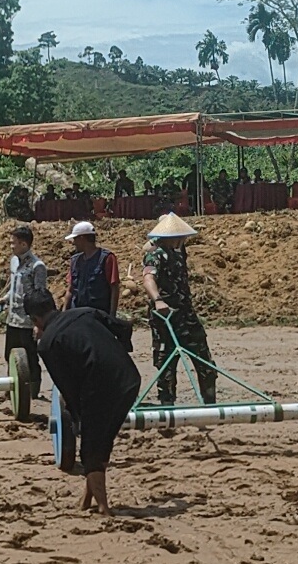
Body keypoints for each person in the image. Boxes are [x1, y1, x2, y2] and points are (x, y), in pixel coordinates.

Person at [28, 296, 141, 515]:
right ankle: (87, 500)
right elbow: (124, 326)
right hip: (129, 378)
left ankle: (104, 509)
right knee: (102, 440)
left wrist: (77, 416)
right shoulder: (85, 311)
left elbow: (67, 385)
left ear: (35, 320)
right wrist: (119, 350)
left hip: (101, 387)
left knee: (90, 448)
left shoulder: (48, 343)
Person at [142, 213, 217, 405]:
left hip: (186, 316)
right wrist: (158, 300)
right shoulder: (155, 254)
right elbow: (148, 279)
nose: (183, 239)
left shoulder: (178, 251)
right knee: (166, 366)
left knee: (205, 363)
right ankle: (168, 408)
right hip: (166, 318)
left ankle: (210, 404)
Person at [0, 226, 49, 393]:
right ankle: (13, 387)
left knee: (30, 356)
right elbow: (15, 287)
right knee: (10, 354)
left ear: (24, 244)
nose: (11, 246)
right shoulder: (14, 261)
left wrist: (38, 323)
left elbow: (40, 295)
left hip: (27, 321)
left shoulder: (37, 266)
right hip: (12, 319)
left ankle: (32, 390)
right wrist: (5, 299)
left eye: (14, 243)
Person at [65, 221, 120, 315]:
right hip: (77, 315)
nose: (73, 243)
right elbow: (70, 289)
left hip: (98, 315)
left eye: (75, 239)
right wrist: (64, 314)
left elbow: (114, 288)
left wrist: (112, 316)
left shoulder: (106, 258)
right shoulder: (75, 261)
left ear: (82, 238)